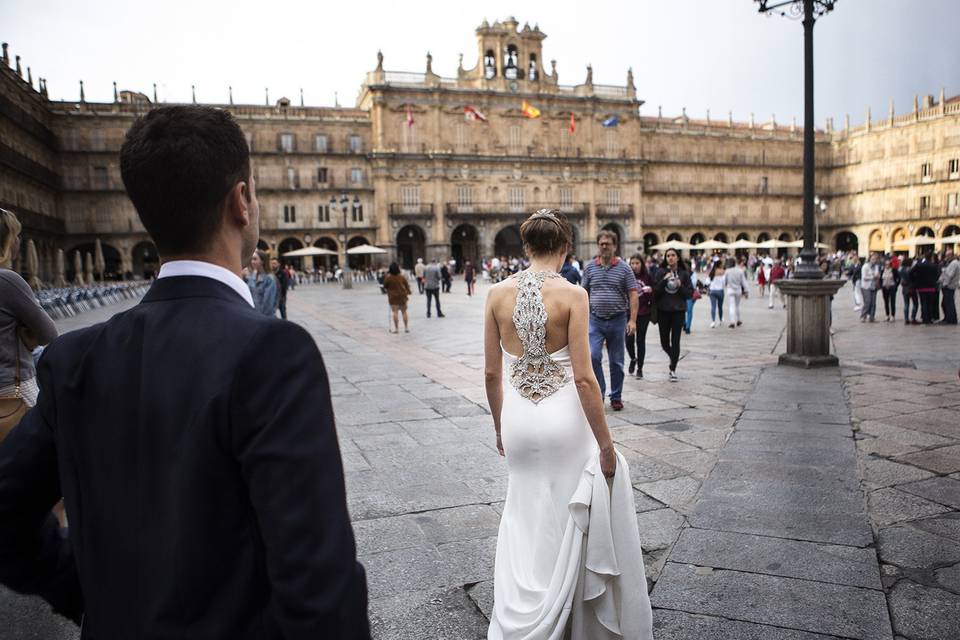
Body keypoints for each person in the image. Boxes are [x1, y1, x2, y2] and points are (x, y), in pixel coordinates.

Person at [0, 106, 370, 637]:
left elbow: (6, 514)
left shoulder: (75, 358)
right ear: (241, 202)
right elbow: (319, 587)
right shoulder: (272, 352)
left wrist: (84, 589)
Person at [483, 209, 652, 639]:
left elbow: (490, 374)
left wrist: (501, 427)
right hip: (562, 420)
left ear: (525, 247)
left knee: (523, 510)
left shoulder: (496, 294)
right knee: (566, 509)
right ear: (564, 248)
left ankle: (520, 611)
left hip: (518, 417)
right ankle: (568, 614)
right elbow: (583, 377)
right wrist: (606, 443)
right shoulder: (573, 294)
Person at [0, 208, 59, 442]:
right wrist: (28, 334)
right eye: (15, 235)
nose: (18, 242)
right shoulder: (7, 280)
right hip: (12, 391)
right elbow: (49, 334)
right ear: (6, 241)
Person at [581, 231, 638, 411]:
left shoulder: (624, 268)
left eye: (608, 243)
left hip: (618, 320)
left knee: (616, 361)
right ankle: (600, 393)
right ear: (598, 245)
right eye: (602, 243)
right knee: (593, 356)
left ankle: (616, 396)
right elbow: (583, 293)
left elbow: (633, 294)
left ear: (615, 246)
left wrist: (633, 320)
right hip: (595, 320)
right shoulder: (590, 268)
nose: (604, 246)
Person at [654, 248, 693, 381]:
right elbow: (655, 292)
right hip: (663, 311)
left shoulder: (684, 274)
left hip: (678, 311)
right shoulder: (660, 272)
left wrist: (680, 285)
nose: (670, 258)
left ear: (677, 258)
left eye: (673, 255)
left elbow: (689, 294)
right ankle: (673, 357)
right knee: (664, 342)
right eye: (668, 255)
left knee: (675, 341)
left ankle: (673, 368)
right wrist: (664, 280)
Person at [626, 253, 654, 379]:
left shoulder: (647, 276)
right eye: (632, 263)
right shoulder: (626, 276)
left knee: (640, 340)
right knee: (628, 340)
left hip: (644, 313)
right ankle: (633, 358)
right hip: (628, 313)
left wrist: (650, 291)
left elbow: (654, 292)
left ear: (642, 264)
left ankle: (640, 368)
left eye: (637, 263)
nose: (635, 266)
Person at [381, 262, 412, 333]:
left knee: (395, 312)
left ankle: (396, 329)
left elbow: (385, 286)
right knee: (404, 312)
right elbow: (407, 285)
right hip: (402, 297)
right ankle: (406, 328)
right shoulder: (401, 277)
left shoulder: (388, 278)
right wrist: (409, 292)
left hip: (393, 297)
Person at [247, 249, 279, 317]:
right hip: (253, 315)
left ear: (262, 261)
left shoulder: (269, 279)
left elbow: (268, 304)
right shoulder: (253, 275)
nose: (252, 262)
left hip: (264, 317)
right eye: (252, 259)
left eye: (255, 259)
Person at [911, 252, 940, 324]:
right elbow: (937, 275)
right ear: (931, 258)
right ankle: (929, 318)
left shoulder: (919, 265)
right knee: (930, 303)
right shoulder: (934, 266)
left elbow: (911, 272)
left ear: (924, 257)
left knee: (923, 303)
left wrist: (915, 280)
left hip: (921, 287)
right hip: (931, 287)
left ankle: (924, 318)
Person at [724, 256, 748, 328]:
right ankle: (738, 320)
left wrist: (725, 285)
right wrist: (746, 291)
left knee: (732, 306)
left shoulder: (727, 271)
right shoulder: (740, 271)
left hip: (730, 289)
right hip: (738, 290)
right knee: (737, 306)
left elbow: (725, 281)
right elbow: (744, 282)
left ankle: (732, 321)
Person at [938, 249, 958, 324]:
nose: (946, 257)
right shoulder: (951, 263)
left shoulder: (954, 264)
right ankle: (949, 318)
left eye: (948, 255)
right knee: (946, 303)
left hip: (949, 286)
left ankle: (950, 319)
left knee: (948, 303)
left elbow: (950, 275)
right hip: (949, 286)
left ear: (952, 255)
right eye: (946, 255)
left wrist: (944, 284)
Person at [859, 253, 881, 322]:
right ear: (869, 259)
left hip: (874, 286)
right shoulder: (865, 266)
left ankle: (872, 317)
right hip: (866, 286)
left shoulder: (877, 266)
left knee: (873, 303)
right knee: (868, 302)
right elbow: (864, 277)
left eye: (875, 259)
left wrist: (878, 276)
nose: (874, 260)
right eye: (873, 259)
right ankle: (863, 316)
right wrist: (873, 276)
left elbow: (878, 274)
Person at [880, 257, 900, 322]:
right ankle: (887, 315)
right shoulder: (882, 270)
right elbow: (880, 279)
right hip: (884, 288)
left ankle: (893, 315)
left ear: (890, 264)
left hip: (892, 287)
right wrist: (881, 285)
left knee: (892, 302)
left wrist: (896, 285)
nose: (887, 265)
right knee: (886, 302)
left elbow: (898, 278)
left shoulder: (894, 270)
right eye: (886, 264)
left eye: (888, 264)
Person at [900, 257, 919, 324]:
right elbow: (914, 278)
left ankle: (906, 318)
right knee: (915, 303)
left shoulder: (901, 269)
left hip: (905, 288)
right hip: (912, 288)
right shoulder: (911, 269)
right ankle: (913, 318)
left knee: (906, 304)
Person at [707, 261, 725, 328]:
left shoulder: (712, 271)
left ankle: (713, 322)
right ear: (720, 265)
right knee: (720, 307)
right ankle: (720, 320)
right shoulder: (722, 272)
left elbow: (707, 282)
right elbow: (724, 282)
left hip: (712, 291)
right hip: (720, 291)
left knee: (713, 307)